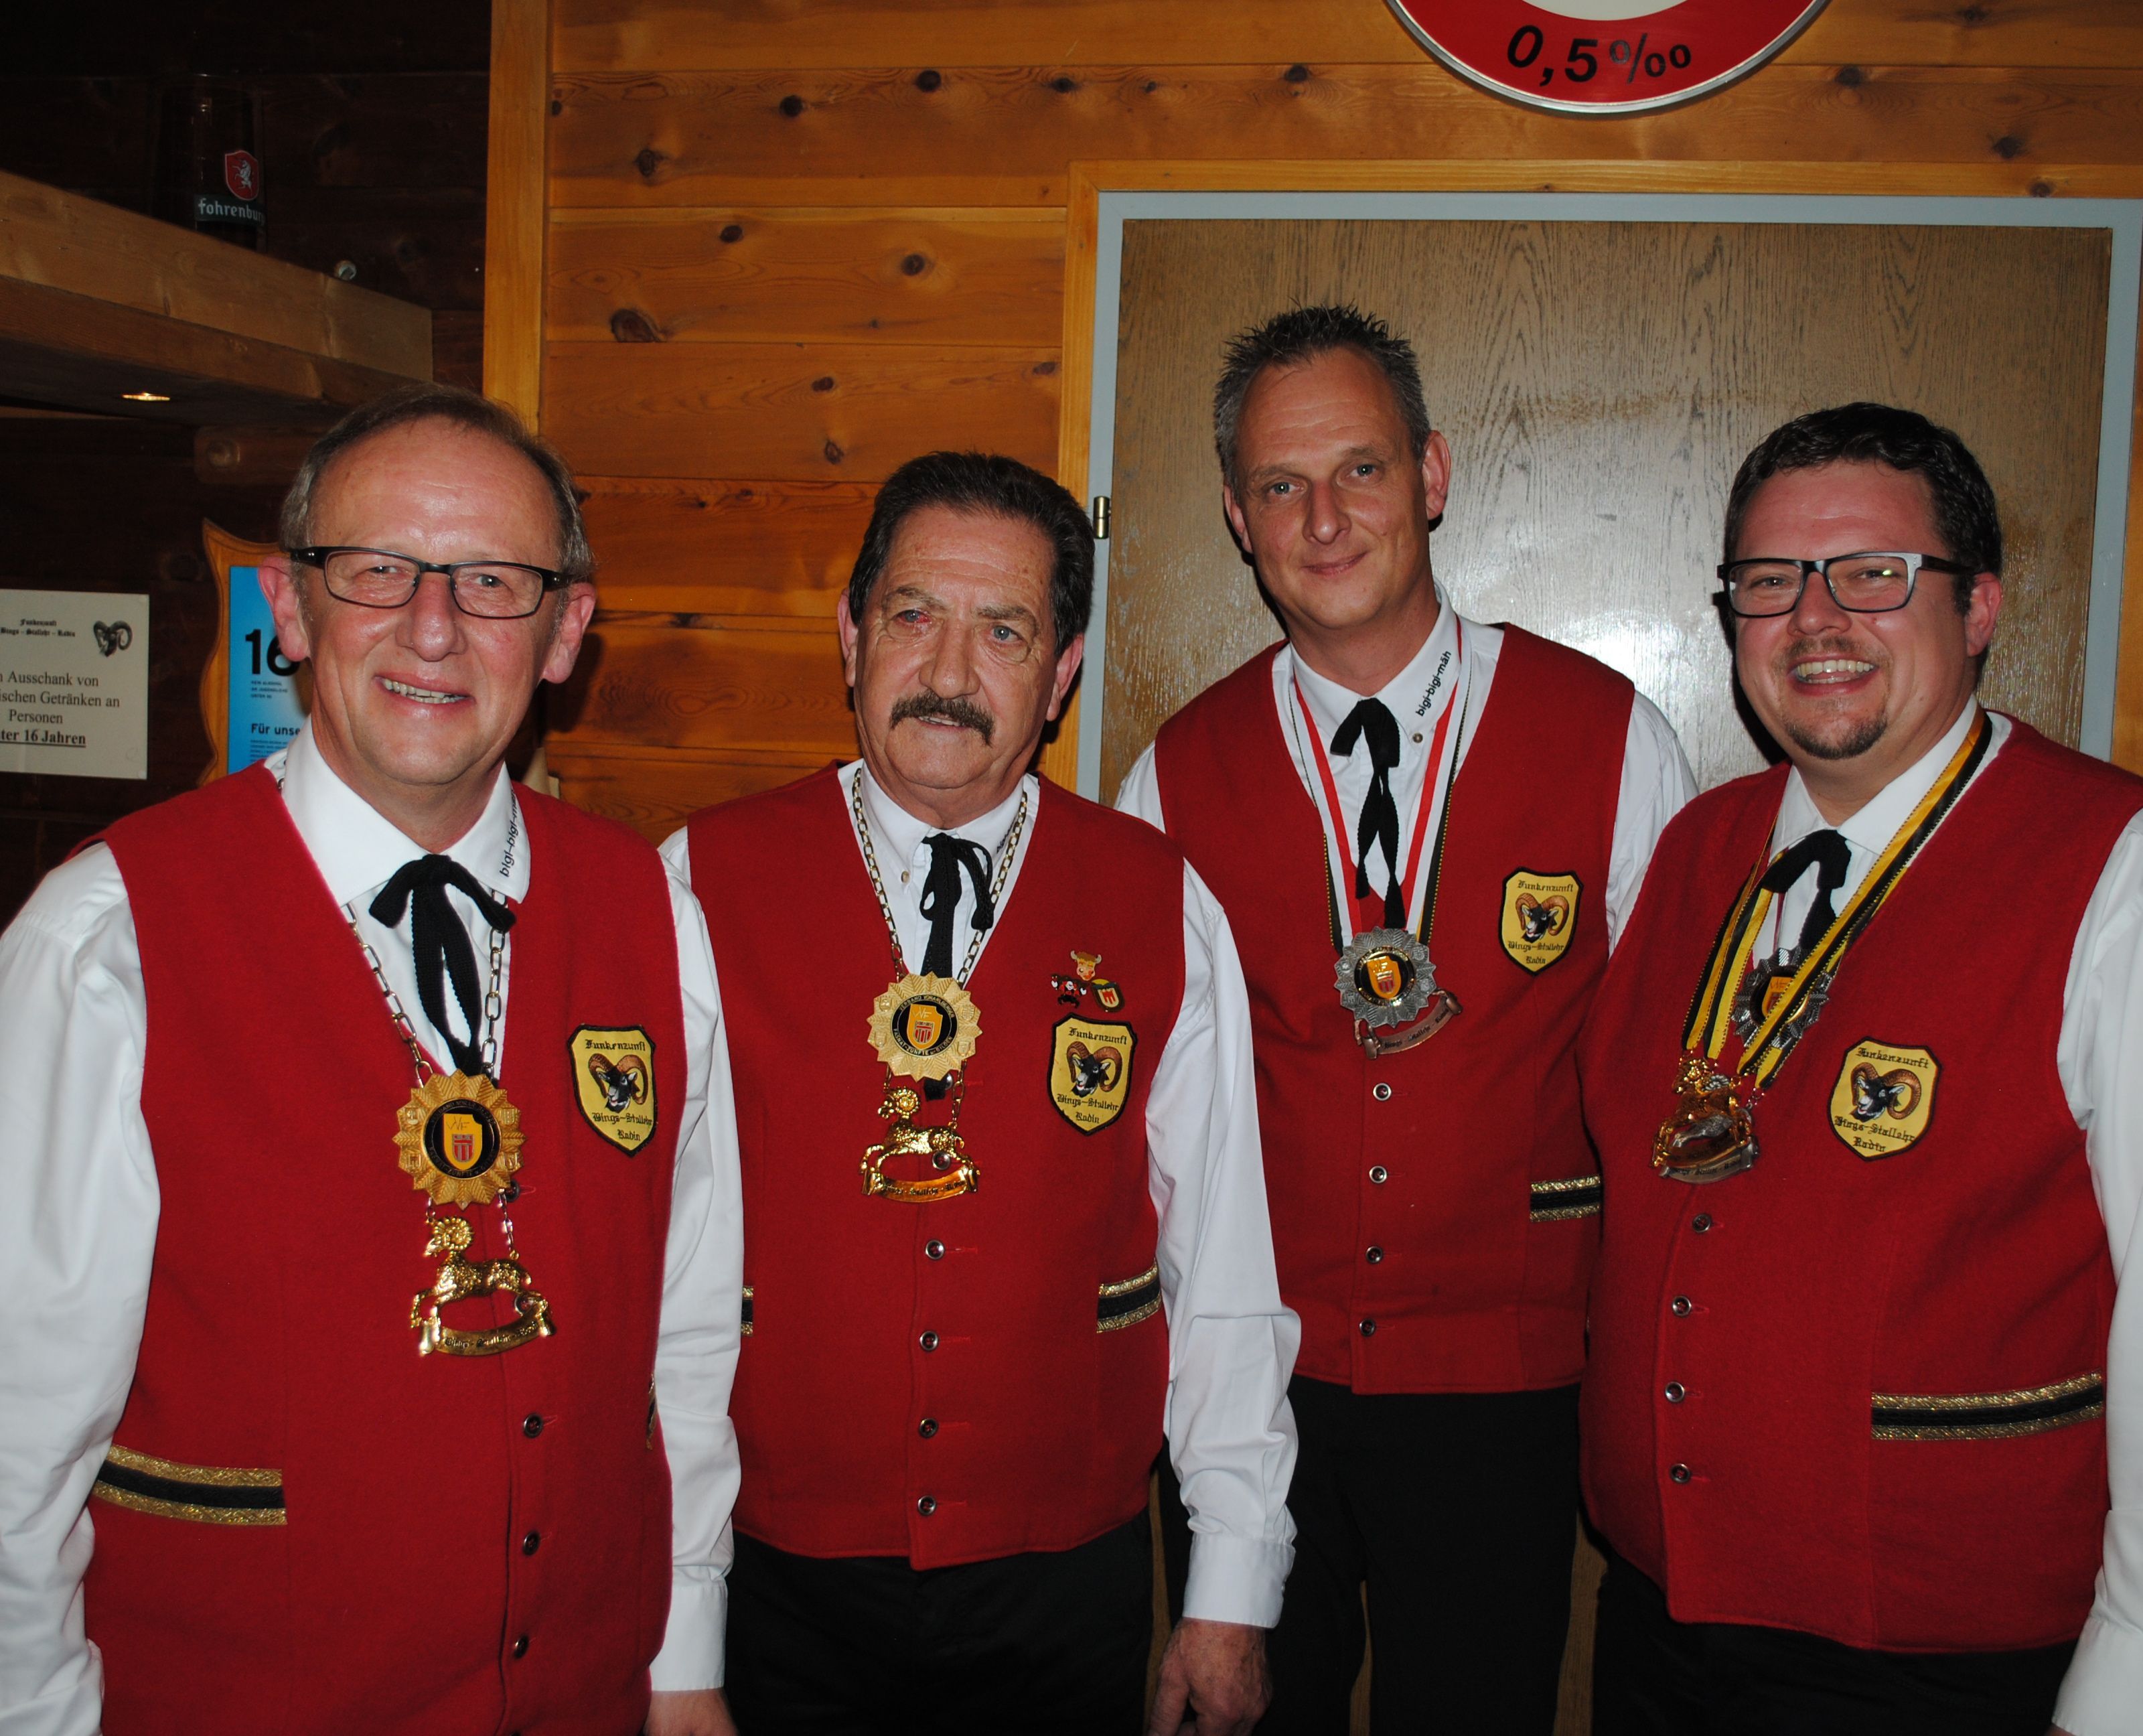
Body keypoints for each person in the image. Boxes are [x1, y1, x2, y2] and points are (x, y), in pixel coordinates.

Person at [0, 384, 744, 1736]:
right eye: (378, 569)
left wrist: (684, 1655)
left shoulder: (655, 912)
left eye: (493, 581)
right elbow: (12, 1439)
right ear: (289, 606)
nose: (434, 625)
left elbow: (685, 1330)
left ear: (567, 631)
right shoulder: (106, 941)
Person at [1118, 303, 1694, 1733]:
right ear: (1239, 522)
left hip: (1506, 1395)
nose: (1323, 519)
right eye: (1278, 486)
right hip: (1257, 1393)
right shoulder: (1170, 779)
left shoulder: (1614, 736)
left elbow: (1670, 1084)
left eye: (1359, 470)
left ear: (1432, 474)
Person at [668, 449, 1298, 1735]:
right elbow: (665, 1283)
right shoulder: (699, 884)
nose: (949, 675)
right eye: (913, 616)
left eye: (1003, 631)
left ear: (1061, 670)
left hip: (1068, 1580)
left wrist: (1234, 1582)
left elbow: (1223, 1266)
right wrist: (680, 1638)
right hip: (778, 1574)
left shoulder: (1158, 898)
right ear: (852, 635)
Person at [1578, 402, 2142, 1736]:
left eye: (1874, 575)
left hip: (1946, 1653)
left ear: (1982, 606)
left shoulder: (2108, 863)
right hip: (1664, 1616)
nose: (1814, 619)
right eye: (1768, 584)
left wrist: (2123, 1676)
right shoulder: (1695, 849)